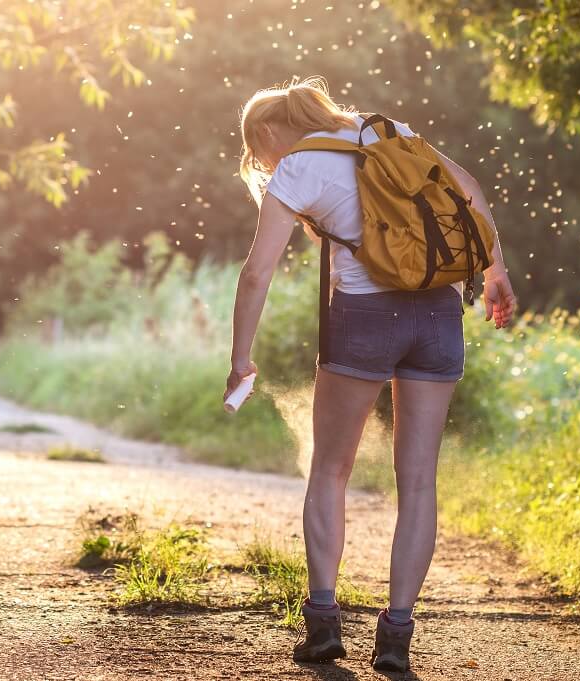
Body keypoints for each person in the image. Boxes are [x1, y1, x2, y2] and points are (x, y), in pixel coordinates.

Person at [224, 77, 516, 672]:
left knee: (330, 469)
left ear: (267, 135)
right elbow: (469, 189)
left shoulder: (299, 167)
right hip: (438, 313)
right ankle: (397, 638)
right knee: (419, 482)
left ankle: (325, 628)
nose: (263, 163)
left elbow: (257, 274)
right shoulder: (388, 132)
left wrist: (240, 357)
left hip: (363, 317)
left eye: (259, 152)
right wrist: (494, 274)